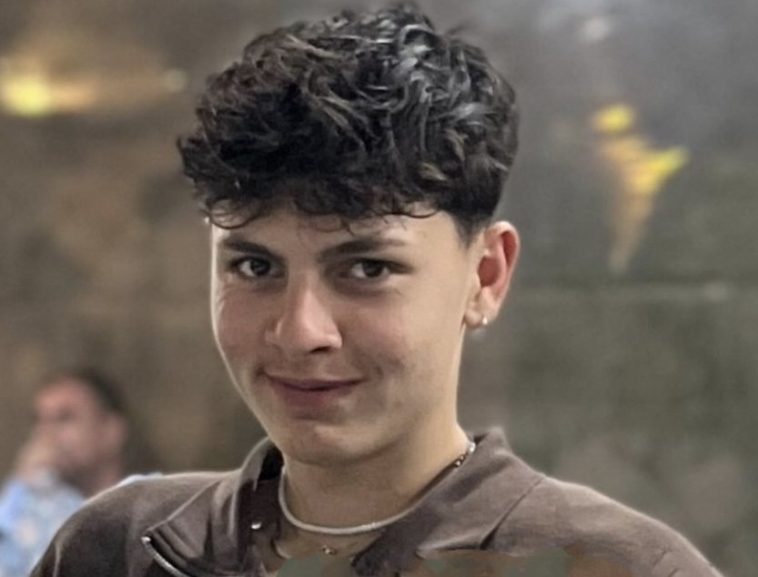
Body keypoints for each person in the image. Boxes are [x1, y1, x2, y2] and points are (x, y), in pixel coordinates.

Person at [32, 4, 722, 576]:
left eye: (366, 269)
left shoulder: (617, 566)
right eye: (255, 267)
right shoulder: (116, 549)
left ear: (486, 276)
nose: (301, 331)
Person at [0, 368, 129, 577]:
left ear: (111, 430)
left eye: (64, 418)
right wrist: (19, 487)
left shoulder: (149, 508)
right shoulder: (33, 508)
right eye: (39, 421)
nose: (46, 434)